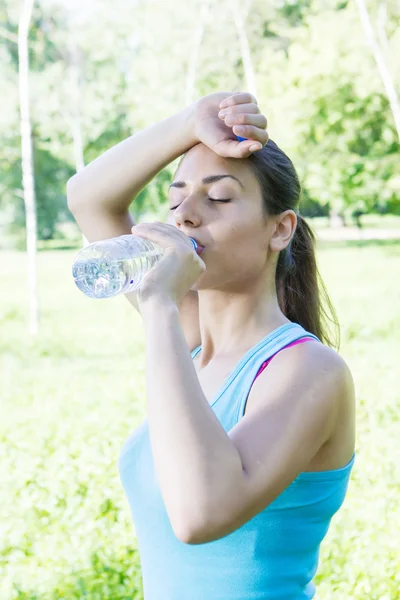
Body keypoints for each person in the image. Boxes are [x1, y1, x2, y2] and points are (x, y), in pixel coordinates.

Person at [67, 91, 356, 599]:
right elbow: (89, 196)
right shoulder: (193, 344)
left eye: (217, 198)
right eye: (176, 198)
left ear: (280, 229)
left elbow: (199, 516)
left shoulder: (311, 371)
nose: (185, 216)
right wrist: (190, 123)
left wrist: (157, 305)